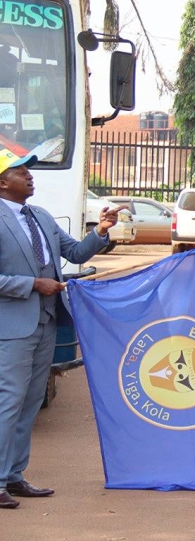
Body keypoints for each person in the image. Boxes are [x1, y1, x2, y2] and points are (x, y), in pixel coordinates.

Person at [0, 149, 122, 509]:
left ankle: (14, 475)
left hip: (48, 321)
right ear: (3, 181)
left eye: (29, 172)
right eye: (22, 172)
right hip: (12, 325)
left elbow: (77, 253)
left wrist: (101, 230)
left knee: (30, 402)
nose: (30, 176)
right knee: (8, 402)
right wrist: (32, 285)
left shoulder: (40, 216)